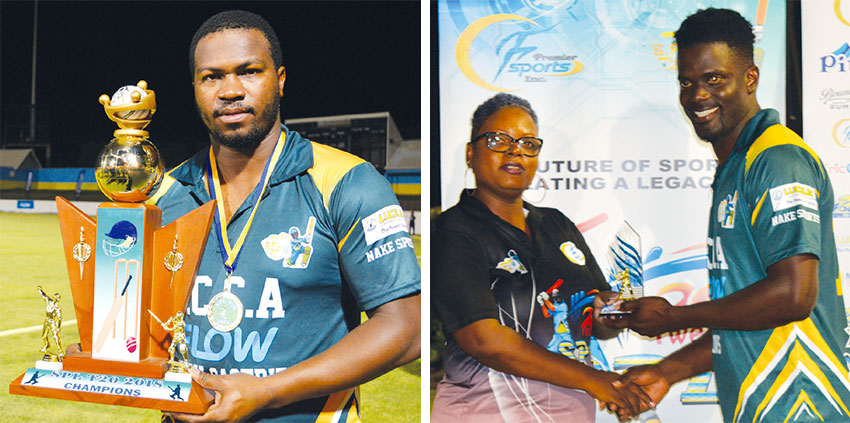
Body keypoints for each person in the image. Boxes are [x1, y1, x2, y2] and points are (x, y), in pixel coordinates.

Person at [145, 10, 420, 423]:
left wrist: (267, 393)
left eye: (249, 71)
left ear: (281, 79)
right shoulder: (166, 194)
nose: (230, 90)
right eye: (212, 76)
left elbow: (406, 329)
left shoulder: (347, 183)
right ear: (196, 89)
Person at [603, 8, 850, 423]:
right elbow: (747, 315)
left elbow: (794, 296)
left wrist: (673, 318)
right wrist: (667, 371)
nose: (697, 95)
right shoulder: (736, 166)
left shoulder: (777, 161)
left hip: (803, 407)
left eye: (714, 78)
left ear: (750, 78)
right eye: (687, 82)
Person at [431, 93, 651, 422]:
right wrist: (596, 380)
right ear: (470, 153)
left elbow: (598, 321)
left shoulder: (557, 224)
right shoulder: (455, 230)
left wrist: (611, 312)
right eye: (498, 139)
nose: (514, 150)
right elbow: (483, 339)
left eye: (528, 143)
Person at [38, 286, 63, 360]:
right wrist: (40, 290)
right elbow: (44, 295)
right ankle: (46, 345)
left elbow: (59, 318)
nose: (56, 298)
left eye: (57, 298)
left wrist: (58, 327)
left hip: (52, 322)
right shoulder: (49, 301)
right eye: (55, 297)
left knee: (55, 336)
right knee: (44, 335)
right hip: (46, 321)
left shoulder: (57, 308)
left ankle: (60, 351)